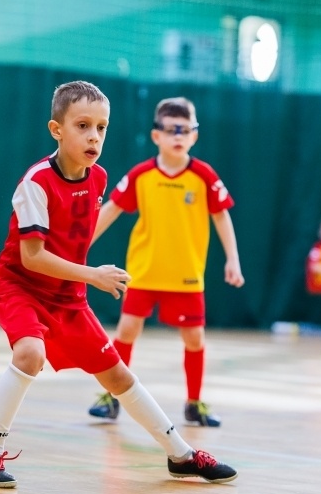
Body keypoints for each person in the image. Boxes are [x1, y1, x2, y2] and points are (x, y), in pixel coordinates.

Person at [0, 81, 237, 489]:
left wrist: (83, 278)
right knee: (29, 354)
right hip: (21, 286)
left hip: (68, 296)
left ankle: (181, 455)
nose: (94, 136)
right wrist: (93, 274)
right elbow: (33, 257)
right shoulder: (36, 183)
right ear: (56, 130)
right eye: (83, 126)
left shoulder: (99, 178)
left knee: (119, 379)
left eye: (102, 127)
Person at [84, 97, 244, 427]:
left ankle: (194, 402)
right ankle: (111, 398)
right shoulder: (141, 175)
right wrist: (79, 248)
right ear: (156, 135)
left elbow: (222, 216)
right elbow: (111, 208)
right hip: (144, 271)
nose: (178, 136)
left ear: (194, 136)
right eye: (171, 130)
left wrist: (233, 259)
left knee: (195, 339)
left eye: (185, 130)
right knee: (127, 330)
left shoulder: (203, 176)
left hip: (185, 274)